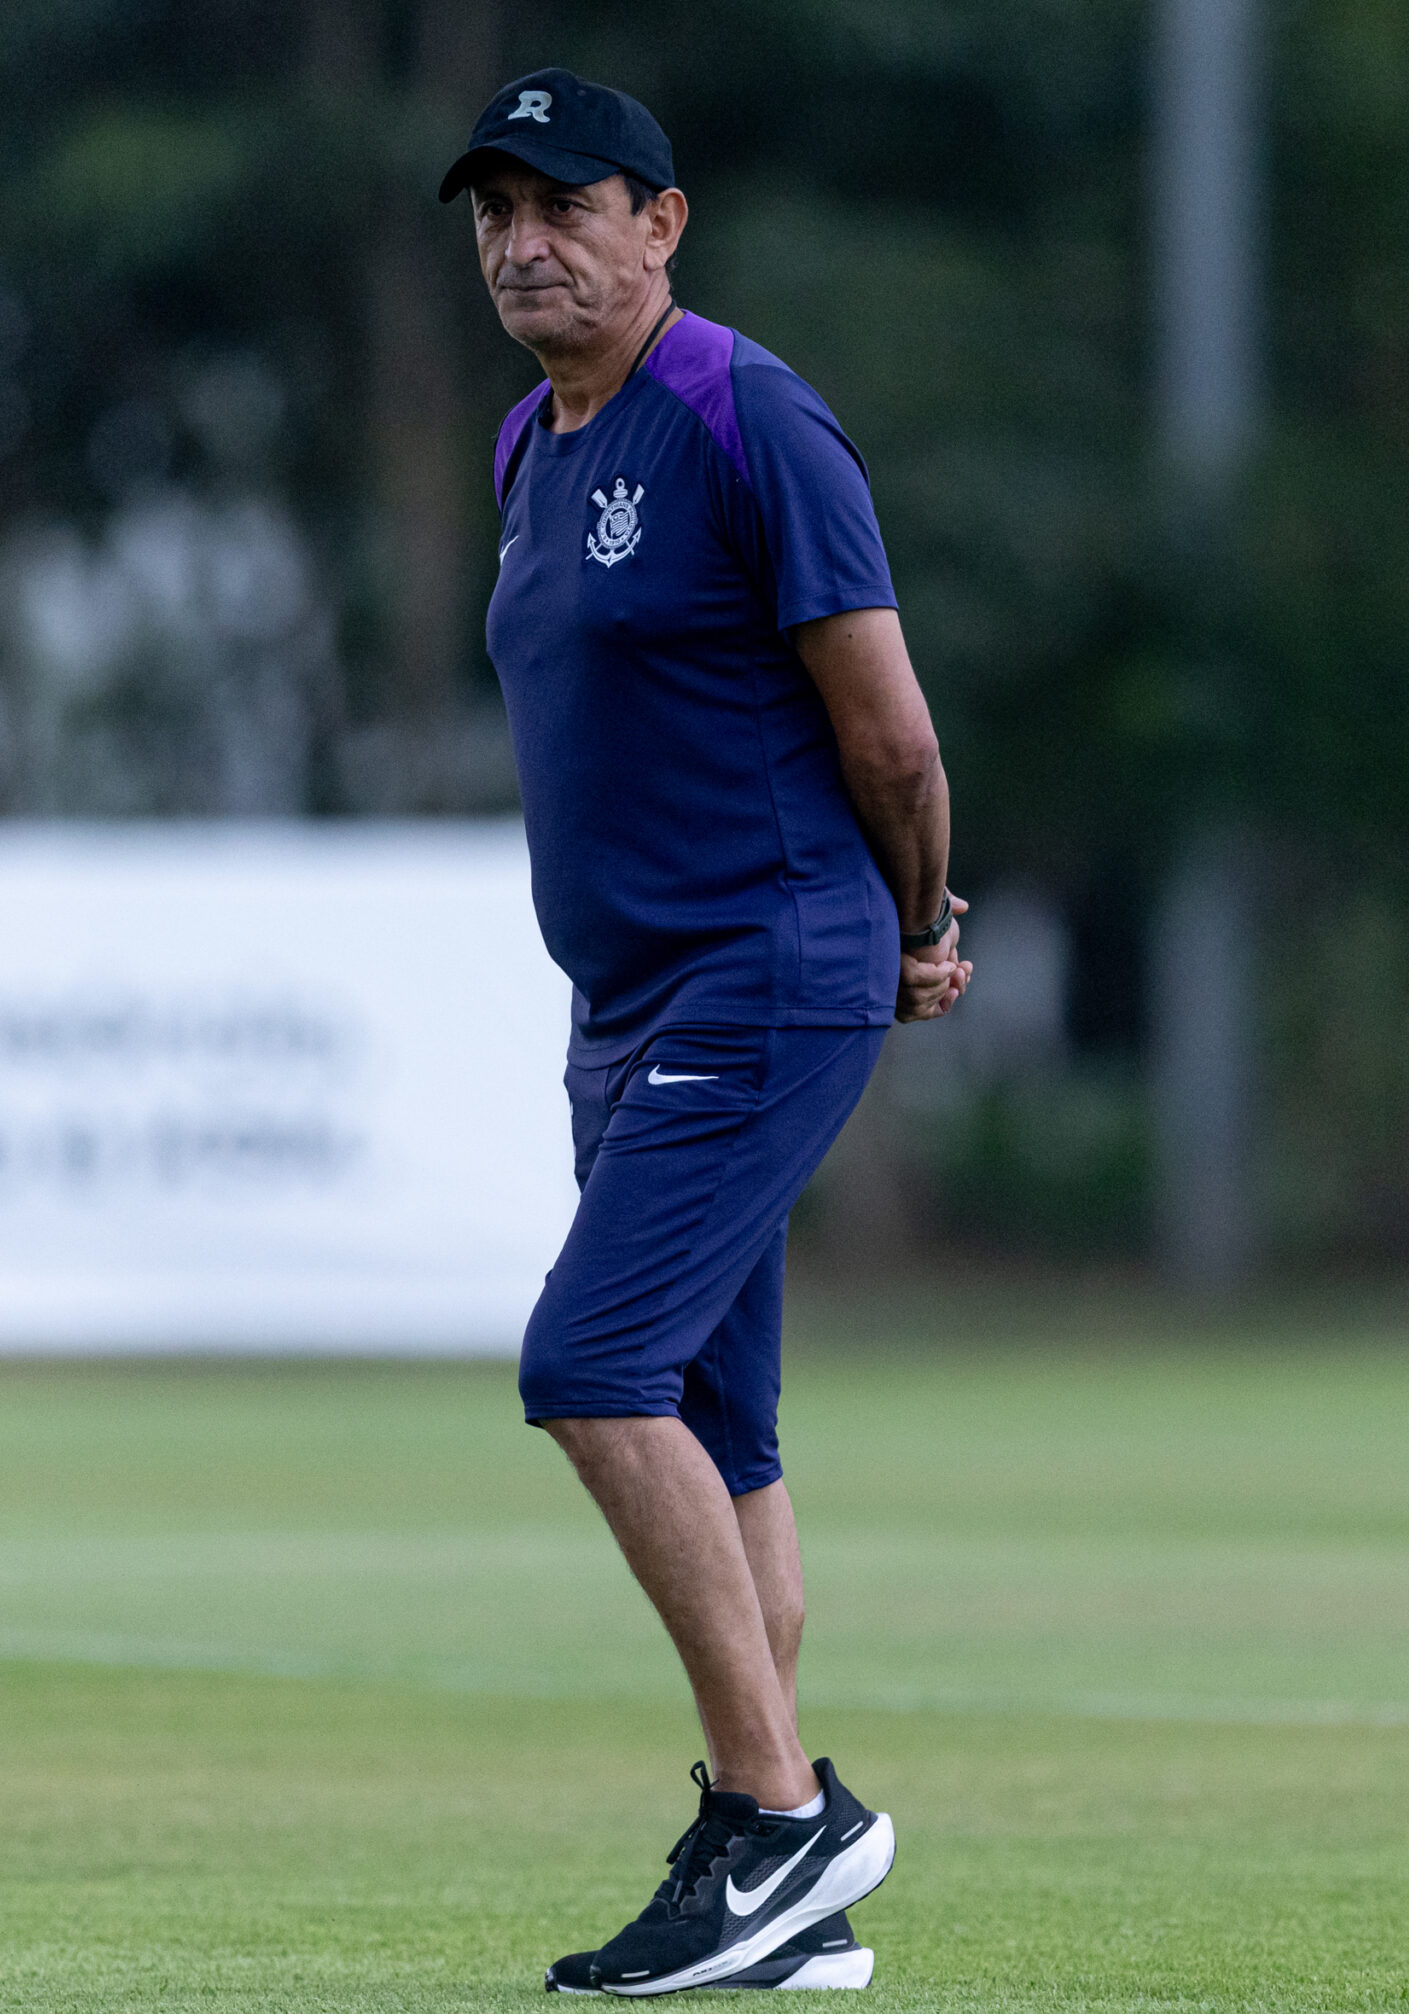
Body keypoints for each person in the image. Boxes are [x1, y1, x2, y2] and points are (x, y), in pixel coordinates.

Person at [440, 67, 971, 1997]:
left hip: (765, 963)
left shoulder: (748, 410)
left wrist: (918, 925)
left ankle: (775, 1818)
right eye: (495, 211)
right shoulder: (529, 445)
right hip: (634, 997)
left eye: (566, 202)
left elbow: (892, 731)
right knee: (723, 1430)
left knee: (588, 1362)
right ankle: (797, 1920)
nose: (524, 241)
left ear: (663, 222)